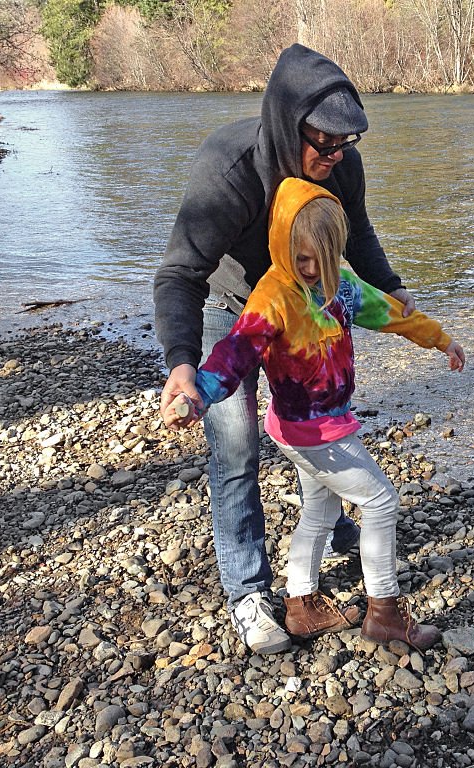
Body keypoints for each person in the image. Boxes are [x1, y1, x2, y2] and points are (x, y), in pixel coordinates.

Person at [153, 44, 416, 655]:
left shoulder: (339, 166)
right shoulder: (231, 169)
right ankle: (248, 592)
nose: (334, 156)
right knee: (239, 445)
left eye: (346, 144)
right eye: (323, 143)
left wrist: (395, 293)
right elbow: (178, 275)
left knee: (312, 417)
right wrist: (183, 366)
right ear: (285, 122)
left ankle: (329, 526)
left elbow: (361, 237)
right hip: (234, 309)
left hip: (306, 302)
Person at [177, 177, 465, 651]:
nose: (310, 270)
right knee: (381, 503)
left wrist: (440, 338)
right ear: (281, 243)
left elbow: (391, 313)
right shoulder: (273, 297)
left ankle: (301, 604)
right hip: (313, 432)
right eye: (301, 259)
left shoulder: (340, 285)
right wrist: (197, 395)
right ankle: (384, 613)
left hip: (312, 426)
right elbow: (234, 353)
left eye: (322, 260)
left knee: (320, 509)